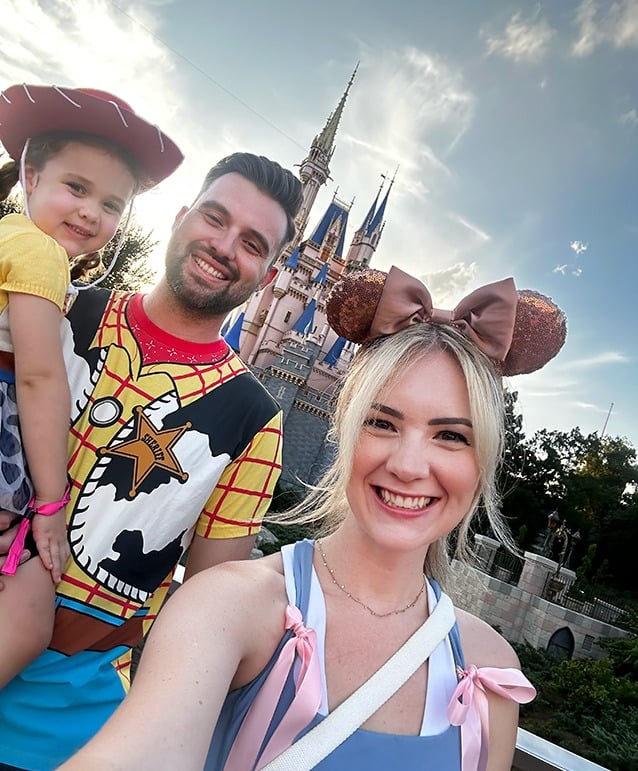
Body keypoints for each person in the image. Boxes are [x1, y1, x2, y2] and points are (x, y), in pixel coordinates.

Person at [61, 266, 567, 770]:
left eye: (451, 435)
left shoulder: (491, 672)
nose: (408, 466)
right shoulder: (231, 606)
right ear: (344, 431)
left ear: (483, 461)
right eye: (382, 423)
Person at [0, 145, 303, 770]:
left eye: (252, 243)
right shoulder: (56, 307)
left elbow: (210, 607)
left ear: (269, 276)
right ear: (181, 215)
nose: (224, 246)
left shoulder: (251, 420)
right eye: (215, 218)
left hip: (65, 736)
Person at [0, 83, 183, 691]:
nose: (90, 213)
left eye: (111, 204)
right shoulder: (40, 256)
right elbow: (38, 373)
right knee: (28, 615)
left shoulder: (14, 238)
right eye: (76, 188)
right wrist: (51, 505)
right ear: (30, 173)